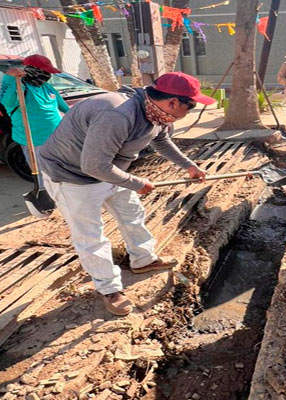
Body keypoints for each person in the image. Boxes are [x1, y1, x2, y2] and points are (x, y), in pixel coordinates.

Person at [38, 72, 214, 316]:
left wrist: (188, 165)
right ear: (173, 102)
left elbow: (161, 141)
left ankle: (143, 259)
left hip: (111, 170)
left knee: (132, 214)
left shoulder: (156, 113)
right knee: (91, 236)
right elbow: (94, 166)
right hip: (73, 177)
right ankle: (108, 288)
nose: (190, 111)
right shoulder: (116, 115)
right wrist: (134, 182)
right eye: (191, 106)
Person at [0, 55, 68, 189]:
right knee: (43, 174)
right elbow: (6, 101)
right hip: (34, 141)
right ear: (32, 70)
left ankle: (63, 194)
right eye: (45, 71)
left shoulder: (46, 87)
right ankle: (46, 196)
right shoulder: (20, 88)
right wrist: (9, 77)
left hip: (57, 138)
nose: (48, 75)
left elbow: (64, 107)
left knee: (61, 171)